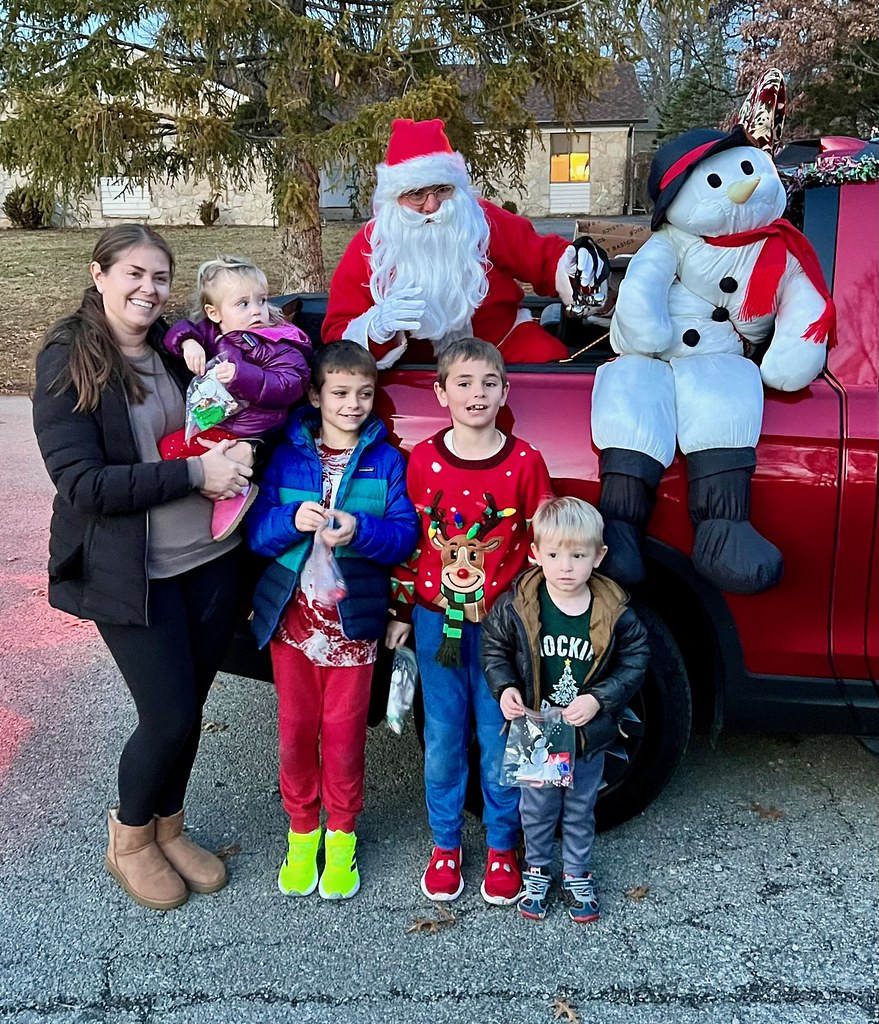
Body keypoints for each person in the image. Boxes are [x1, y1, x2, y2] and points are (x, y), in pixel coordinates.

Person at [32, 224, 254, 911]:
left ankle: (169, 826)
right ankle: (129, 839)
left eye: (160, 278)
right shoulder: (69, 360)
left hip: (212, 558)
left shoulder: (173, 347)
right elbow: (83, 484)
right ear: (98, 274)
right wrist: (195, 474)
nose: (148, 290)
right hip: (133, 572)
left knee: (191, 708)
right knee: (167, 714)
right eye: (133, 273)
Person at [245, 341, 419, 900]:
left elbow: (404, 535)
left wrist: (359, 530)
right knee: (296, 734)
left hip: (354, 628)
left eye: (364, 394)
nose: (353, 404)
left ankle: (340, 837)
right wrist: (293, 518)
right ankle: (302, 834)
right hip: (293, 625)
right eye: (340, 393)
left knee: (344, 739)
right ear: (315, 395)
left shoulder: (387, 460)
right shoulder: (288, 458)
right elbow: (256, 534)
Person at [385, 337, 553, 905]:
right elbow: (411, 545)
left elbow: (541, 541)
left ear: (505, 391)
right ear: (441, 393)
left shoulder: (526, 462)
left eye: (488, 383)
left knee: (502, 728)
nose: (476, 394)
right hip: (438, 624)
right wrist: (403, 610)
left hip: (504, 628)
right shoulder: (424, 461)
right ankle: (446, 844)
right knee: (442, 734)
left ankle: (505, 845)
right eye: (463, 383)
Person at [481, 497, 649, 923]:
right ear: (535, 553)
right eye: (554, 555)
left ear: (599, 556)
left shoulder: (613, 611)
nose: (565, 566)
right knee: (535, 807)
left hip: (586, 734)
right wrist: (504, 688)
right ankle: (537, 868)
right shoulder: (519, 603)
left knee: (580, 807)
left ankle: (576, 872)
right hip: (536, 730)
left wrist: (600, 698)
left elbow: (637, 657)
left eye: (578, 555)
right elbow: (494, 647)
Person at [323, 118, 606, 367]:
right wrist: (375, 329)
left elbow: (541, 256)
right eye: (416, 194)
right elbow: (337, 333)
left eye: (442, 190)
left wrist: (574, 265)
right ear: (394, 198)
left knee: (553, 375)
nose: (431, 205)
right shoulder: (371, 245)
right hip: (417, 368)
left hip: (501, 344)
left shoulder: (479, 218)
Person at [160, 255, 312, 541]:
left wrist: (243, 376)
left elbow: (291, 383)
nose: (257, 311)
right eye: (243, 304)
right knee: (169, 448)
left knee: (212, 459)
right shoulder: (212, 332)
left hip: (253, 430)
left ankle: (234, 491)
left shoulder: (277, 342)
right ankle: (215, 488)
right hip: (220, 423)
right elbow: (179, 330)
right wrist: (188, 342)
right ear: (215, 313)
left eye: (262, 300)